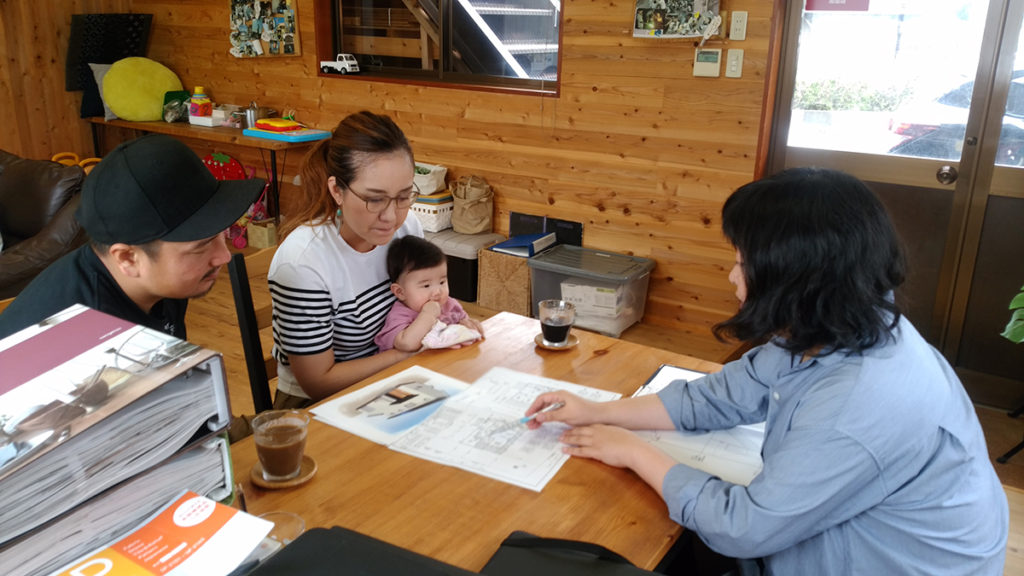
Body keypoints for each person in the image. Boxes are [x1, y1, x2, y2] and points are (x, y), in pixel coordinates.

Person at [524, 167, 1009, 574]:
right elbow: (722, 396)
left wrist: (633, 451)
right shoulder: (835, 320)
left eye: (742, 262)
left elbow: (744, 528)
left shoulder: (858, 401)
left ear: (794, 278)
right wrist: (598, 411)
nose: (732, 276)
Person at [269, 111, 473, 407]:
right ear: (337, 190)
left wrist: (458, 322)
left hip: (396, 379)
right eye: (375, 199)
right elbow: (318, 384)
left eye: (403, 196)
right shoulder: (304, 263)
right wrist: (405, 352)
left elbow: (425, 297)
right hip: (321, 405)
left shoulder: (407, 229)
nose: (391, 217)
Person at [0, 134, 265, 340]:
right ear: (127, 258)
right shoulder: (81, 338)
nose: (224, 256)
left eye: (220, 234)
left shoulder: (163, 283)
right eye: (201, 246)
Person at [374, 235, 482, 352]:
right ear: (400, 292)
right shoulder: (400, 315)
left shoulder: (450, 305)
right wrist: (427, 315)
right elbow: (406, 344)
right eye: (426, 286)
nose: (437, 292)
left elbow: (463, 325)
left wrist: (467, 325)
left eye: (442, 282)